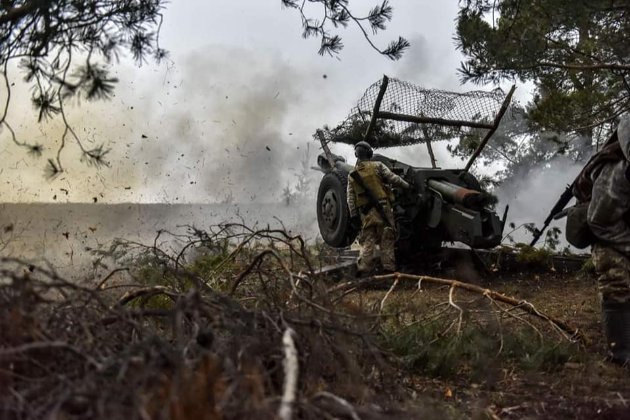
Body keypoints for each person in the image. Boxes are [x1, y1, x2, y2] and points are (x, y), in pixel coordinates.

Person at [581, 114, 630, 365]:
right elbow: (600, 220)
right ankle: (620, 354)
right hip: (608, 231)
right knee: (617, 282)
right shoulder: (617, 173)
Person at [346, 141, 410, 275]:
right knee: (387, 237)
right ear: (369, 153)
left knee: (368, 239)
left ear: (357, 155)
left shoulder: (352, 174)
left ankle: (363, 270)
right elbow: (393, 179)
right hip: (383, 208)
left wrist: (354, 215)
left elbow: (350, 198)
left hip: (365, 212)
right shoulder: (378, 166)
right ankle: (388, 270)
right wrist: (407, 186)